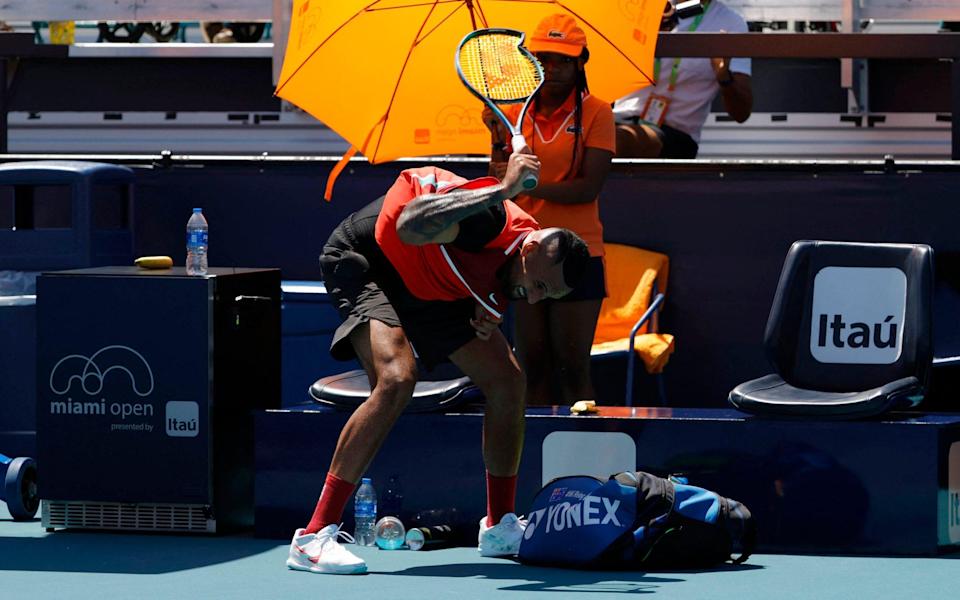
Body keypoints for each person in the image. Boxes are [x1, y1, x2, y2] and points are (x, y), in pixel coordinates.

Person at [285, 154, 590, 575]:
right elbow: (410, 226)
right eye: (537, 286)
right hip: (369, 261)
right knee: (395, 380)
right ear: (533, 248)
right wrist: (504, 189)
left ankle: (499, 527)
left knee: (507, 381)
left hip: (427, 283)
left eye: (546, 296)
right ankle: (313, 535)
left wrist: (486, 306)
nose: (534, 299)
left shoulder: (522, 260)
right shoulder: (487, 218)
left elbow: (484, 278)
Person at [484, 14, 615, 406]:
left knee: (572, 368)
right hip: (524, 252)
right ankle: (531, 461)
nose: (554, 68)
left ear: (581, 63)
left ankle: (587, 462)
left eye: (564, 60)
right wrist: (495, 141)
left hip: (579, 254)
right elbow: (496, 190)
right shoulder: (509, 113)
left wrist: (526, 184)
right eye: (544, 59)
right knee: (532, 366)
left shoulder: (598, 112)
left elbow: (588, 188)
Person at [613, 0, 753, 158]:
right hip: (619, 119)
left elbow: (741, 113)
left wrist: (723, 76)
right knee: (587, 134)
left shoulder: (730, 22)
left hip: (675, 134)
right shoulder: (640, 8)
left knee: (614, 141)